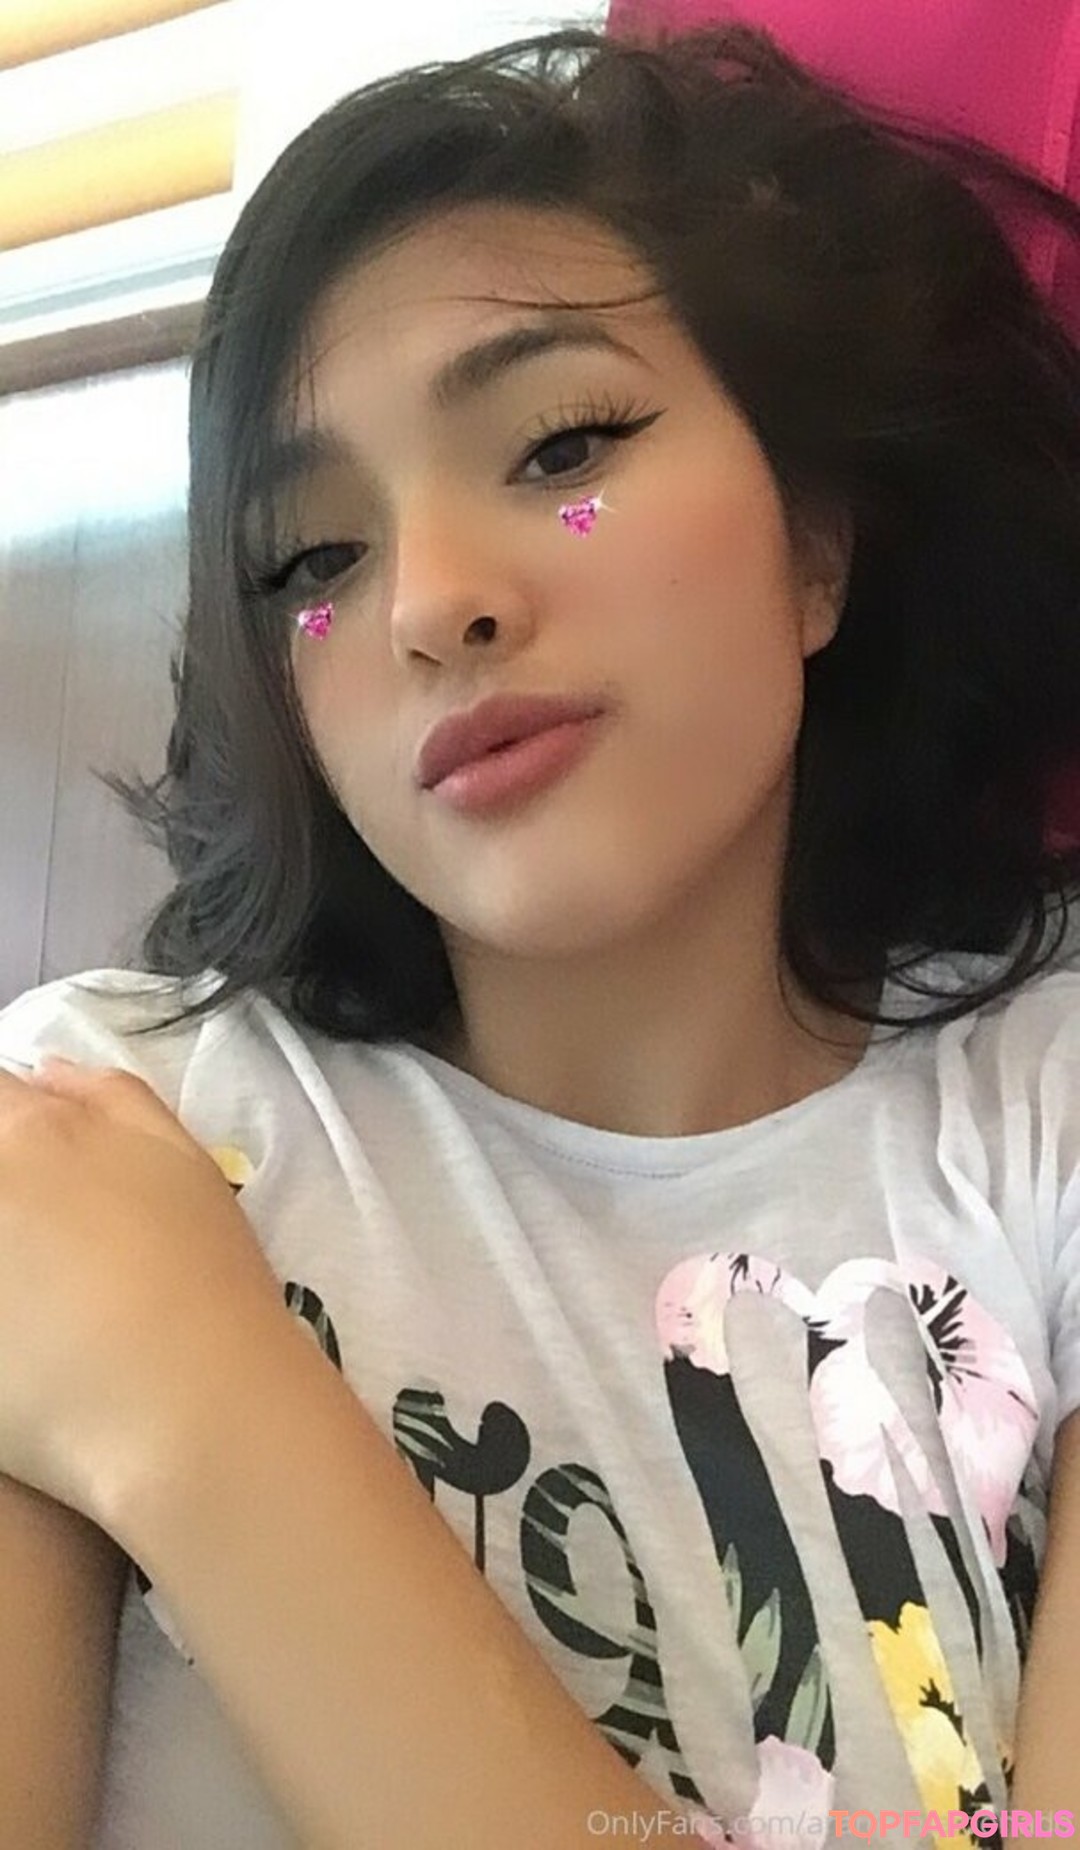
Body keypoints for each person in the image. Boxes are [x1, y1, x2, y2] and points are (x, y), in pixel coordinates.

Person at [2, 18, 1080, 1846]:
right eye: (312, 561)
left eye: (563, 442)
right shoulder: (96, 1131)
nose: (428, 603)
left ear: (818, 544)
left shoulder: (1043, 1111)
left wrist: (190, 1412)